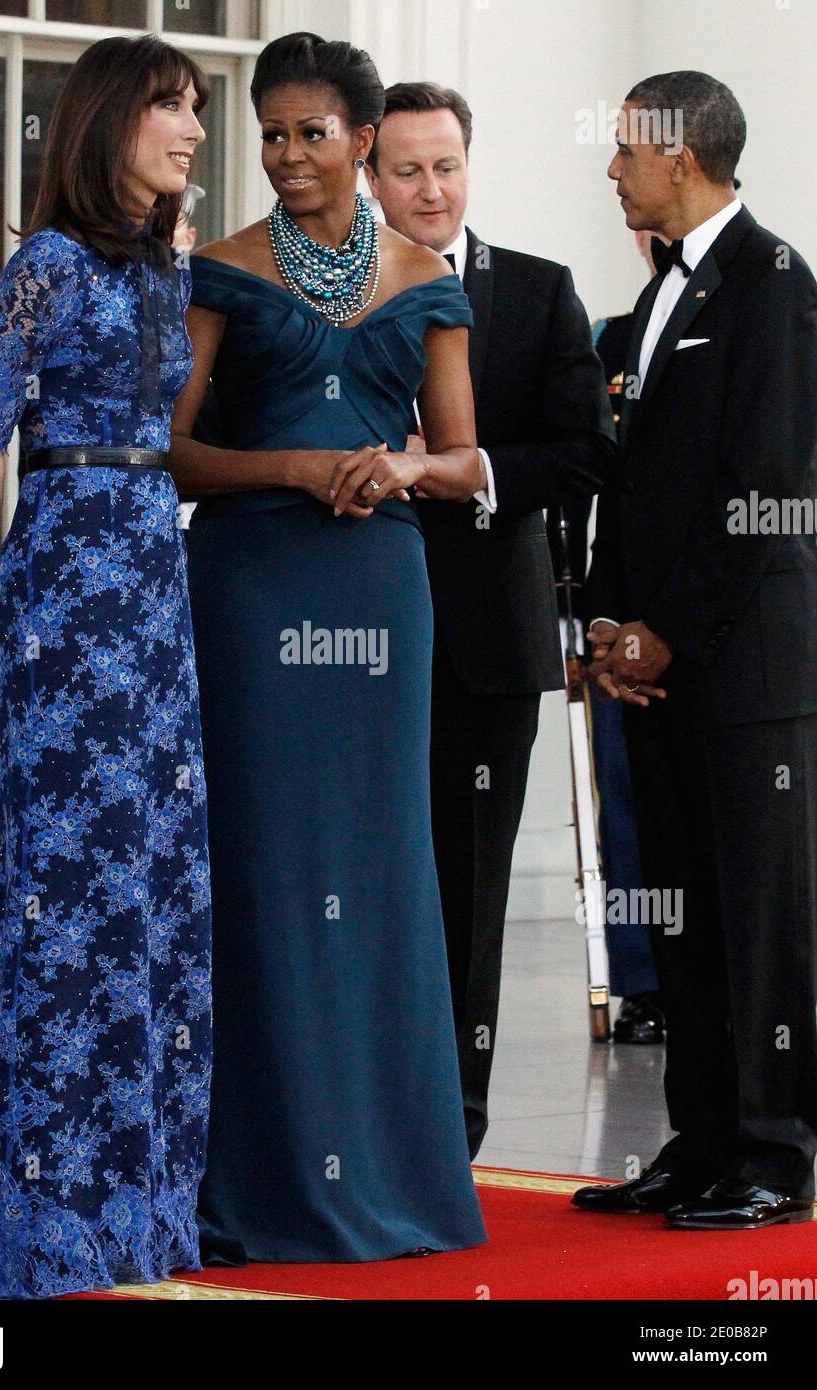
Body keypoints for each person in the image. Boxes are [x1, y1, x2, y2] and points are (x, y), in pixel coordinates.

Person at [169, 31, 486, 1263]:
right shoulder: (220, 269)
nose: (288, 155)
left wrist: (402, 461)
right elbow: (171, 451)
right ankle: (257, 1170)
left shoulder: (425, 277)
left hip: (379, 587)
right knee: (263, 862)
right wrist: (292, 465)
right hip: (248, 584)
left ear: (363, 140)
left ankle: (392, 1168)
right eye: (271, 133)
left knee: (377, 863)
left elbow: (461, 460)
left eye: (312, 133)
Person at [0, 35, 213, 1298]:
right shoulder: (44, 265)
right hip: (65, 580)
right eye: (173, 106)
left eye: (198, 110)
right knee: (67, 868)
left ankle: (142, 1192)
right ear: (111, 120)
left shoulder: (170, 268)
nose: (193, 130)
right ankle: (42, 1204)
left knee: (148, 874)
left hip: (154, 585)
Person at [574, 71, 817, 1229]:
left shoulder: (772, 282)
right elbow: (626, 486)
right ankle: (700, 1136)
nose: (610, 166)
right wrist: (610, 625)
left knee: (757, 916)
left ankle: (773, 1149)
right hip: (657, 664)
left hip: (744, 667)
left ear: (678, 155)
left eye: (624, 149)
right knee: (678, 909)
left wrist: (665, 630)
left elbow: (759, 487)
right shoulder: (644, 299)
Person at [365, 83, 615, 1155]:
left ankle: (447, 1127)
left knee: (467, 893)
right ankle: (349, 1110)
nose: (430, 188)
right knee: (354, 879)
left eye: (446, 166)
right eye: (407, 169)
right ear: (371, 177)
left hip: (488, 643)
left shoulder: (538, 290)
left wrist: (462, 472)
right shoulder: (322, 293)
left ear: (470, 165)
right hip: (342, 640)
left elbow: (585, 451)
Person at [547, 228, 672, 1047]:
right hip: (621, 619)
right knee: (624, 801)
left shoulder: (769, 314)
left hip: (725, 622)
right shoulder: (613, 340)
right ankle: (642, 983)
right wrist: (584, 613)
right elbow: (590, 480)